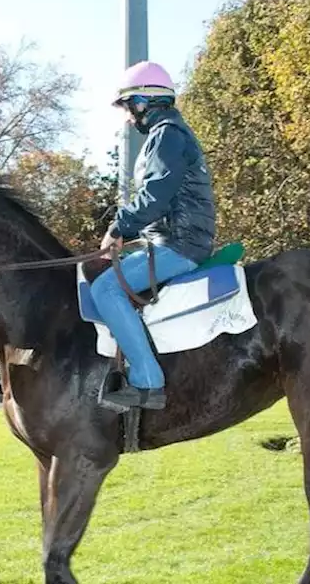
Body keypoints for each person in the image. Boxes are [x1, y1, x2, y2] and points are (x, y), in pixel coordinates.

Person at [90, 60, 216, 411]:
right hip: (171, 239)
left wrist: (118, 228)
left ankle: (148, 382)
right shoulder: (170, 133)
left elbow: (155, 195)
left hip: (179, 244)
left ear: (144, 101)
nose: (129, 117)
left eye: (129, 106)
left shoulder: (167, 135)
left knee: (106, 288)